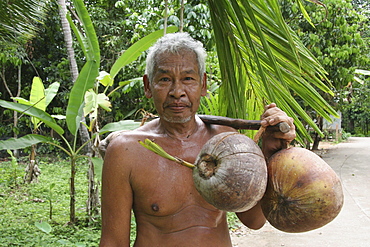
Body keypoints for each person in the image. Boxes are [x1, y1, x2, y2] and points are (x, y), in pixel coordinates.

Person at [99, 32, 296, 247]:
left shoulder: (226, 140)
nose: (177, 92)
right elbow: (113, 242)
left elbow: (254, 220)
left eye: (188, 79)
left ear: (202, 85)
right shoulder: (127, 151)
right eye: (164, 79)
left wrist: (271, 152)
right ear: (148, 85)